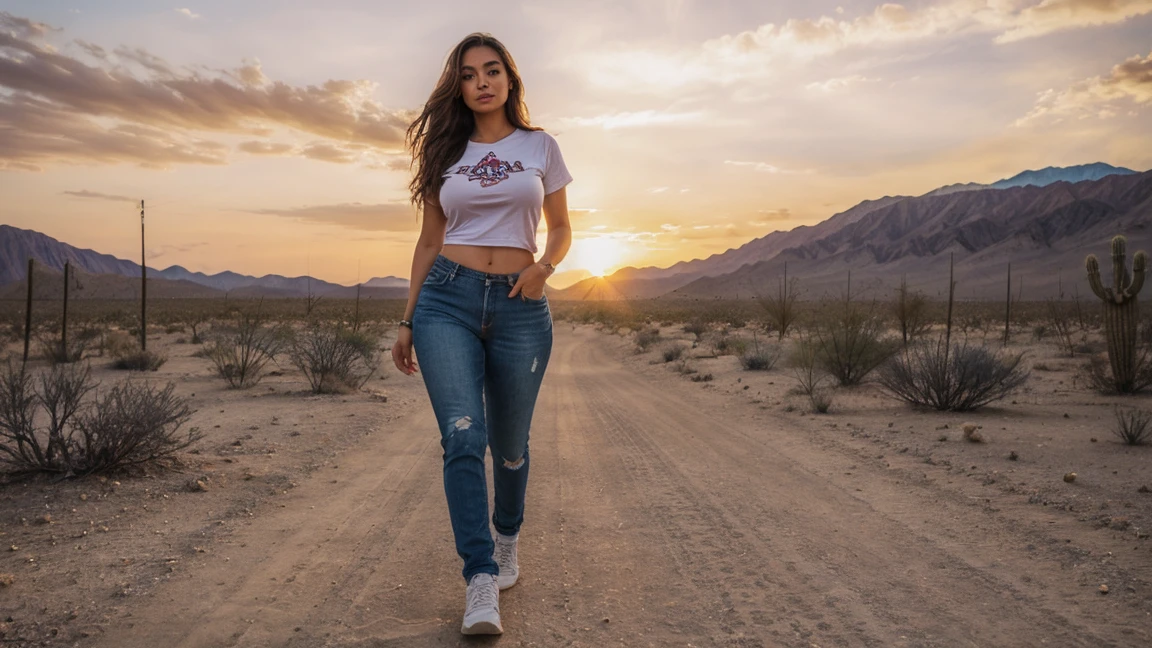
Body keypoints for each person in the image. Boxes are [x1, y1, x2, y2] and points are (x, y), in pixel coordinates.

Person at [390, 32, 572, 635]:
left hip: (522, 304)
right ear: (459, 87)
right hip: (449, 300)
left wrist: (544, 269)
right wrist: (409, 319)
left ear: (510, 81)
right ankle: (480, 576)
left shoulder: (540, 146)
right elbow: (427, 241)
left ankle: (508, 535)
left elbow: (561, 228)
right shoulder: (445, 152)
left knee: (510, 445)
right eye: (469, 75)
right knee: (464, 436)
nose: (482, 82)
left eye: (492, 71)